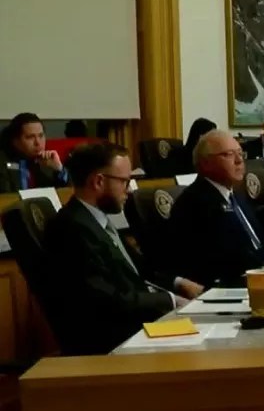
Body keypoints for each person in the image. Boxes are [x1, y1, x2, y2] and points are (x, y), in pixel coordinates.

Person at [43, 142, 195, 355]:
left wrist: (179, 283)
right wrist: (169, 300)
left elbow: (139, 270)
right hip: (113, 342)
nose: (130, 190)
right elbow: (105, 298)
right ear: (98, 181)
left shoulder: (98, 220)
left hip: (139, 327)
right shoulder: (70, 228)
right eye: (125, 181)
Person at [169, 130, 264, 288]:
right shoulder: (195, 202)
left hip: (260, 277)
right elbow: (228, 261)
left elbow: (256, 241)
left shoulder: (235, 195)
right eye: (229, 154)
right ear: (205, 163)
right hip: (225, 289)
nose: (239, 161)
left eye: (240, 153)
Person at [0, 113, 69, 193]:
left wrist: (59, 169)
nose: (38, 142)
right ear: (15, 141)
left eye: (41, 136)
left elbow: (71, 192)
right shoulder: (3, 162)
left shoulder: (48, 161)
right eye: (30, 137)